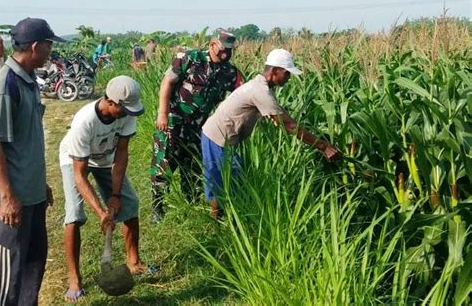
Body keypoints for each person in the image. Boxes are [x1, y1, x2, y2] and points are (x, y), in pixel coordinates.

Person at [201, 49, 339, 218]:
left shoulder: (260, 86)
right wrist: (323, 146)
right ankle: (233, 225)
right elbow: (289, 125)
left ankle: (220, 223)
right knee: (234, 183)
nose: (288, 78)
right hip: (218, 137)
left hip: (214, 134)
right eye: (287, 74)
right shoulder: (261, 91)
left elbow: (283, 116)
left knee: (220, 181)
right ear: (274, 71)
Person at [59, 75, 146, 302]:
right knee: (74, 215)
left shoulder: (127, 113)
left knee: (130, 203)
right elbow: (79, 174)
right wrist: (101, 213)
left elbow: (122, 153)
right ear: (110, 101)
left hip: (106, 159)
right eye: (124, 109)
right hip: (74, 159)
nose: (128, 113)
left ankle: (133, 261)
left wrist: (116, 196)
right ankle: (74, 277)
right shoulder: (85, 121)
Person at [0, 17, 65, 304]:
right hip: (12, 202)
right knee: (9, 277)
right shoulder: (6, 84)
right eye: (49, 45)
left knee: (33, 265)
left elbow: (27, 140)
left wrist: (42, 182)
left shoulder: (29, 80)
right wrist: (6, 196)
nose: (51, 51)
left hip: (33, 194)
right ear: (36, 46)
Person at [150, 28, 243, 222]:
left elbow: (243, 93)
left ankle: (190, 205)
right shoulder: (190, 58)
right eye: (224, 49)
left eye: (230, 50)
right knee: (163, 164)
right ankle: (157, 207)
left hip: (201, 127)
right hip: (174, 121)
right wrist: (162, 114)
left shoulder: (229, 72)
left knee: (192, 167)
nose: (227, 53)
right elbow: (167, 82)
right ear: (212, 45)